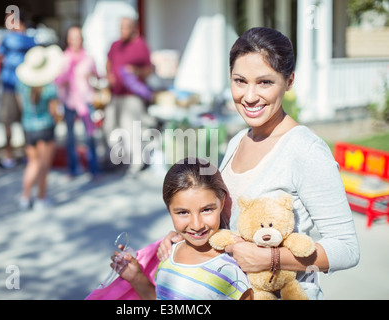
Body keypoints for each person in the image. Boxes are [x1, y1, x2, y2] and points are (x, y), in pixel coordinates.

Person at [157, 27, 360, 300]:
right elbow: (231, 226)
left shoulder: (306, 151)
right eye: (240, 81)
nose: (249, 96)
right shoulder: (238, 140)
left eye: (264, 82)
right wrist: (190, 241)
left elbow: (347, 249)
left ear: (288, 81)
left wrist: (272, 259)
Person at [110, 158, 252, 300]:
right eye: (183, 212)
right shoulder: (168, 253)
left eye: (207, 210)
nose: (197, 225)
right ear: (169, 209)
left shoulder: (231, 269)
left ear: (222, 203)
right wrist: (137, 278)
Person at [15, 45, 63, 211]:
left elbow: (21, 105)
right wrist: (59, 119)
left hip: (28, 127)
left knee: (32, 163)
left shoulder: (21, 85)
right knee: (43, 165)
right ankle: (41, 198)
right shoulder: (49, 87)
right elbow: (54, 110)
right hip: (45, 127)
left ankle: (25, 195)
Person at [104, 16, 154, 177]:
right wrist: (109, 75)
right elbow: (108, 63)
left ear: (133, 28)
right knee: (110, 128)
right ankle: (118, 160)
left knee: (132, 130)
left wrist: (136, 71)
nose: (122, 30)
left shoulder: (140, 45)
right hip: (115, 94)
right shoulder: (115, 45)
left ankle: (136, 164)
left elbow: (149, 70)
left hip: (132, 97)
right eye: (120, 27)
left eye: (125, 27)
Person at [55, 25, 101, 179]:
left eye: (78, 37)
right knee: (70, 138)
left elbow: (98, 78)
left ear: (82, 39)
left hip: (86, 102)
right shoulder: (63, 58)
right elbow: (56, 80)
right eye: (72, 37)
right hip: (69, 102)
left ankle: (94, 169)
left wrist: (92, 79)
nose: (75, 40)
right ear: (68, 39)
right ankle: (73, 169)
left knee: (90, 136)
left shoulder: (89, 58)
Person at [0, 13, 36, 168]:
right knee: (11, 122)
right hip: (11, 87)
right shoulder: (24, 39)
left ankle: (20, 154)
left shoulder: (13, 39)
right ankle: (18, 154)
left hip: (22, 87)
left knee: (22, 122)